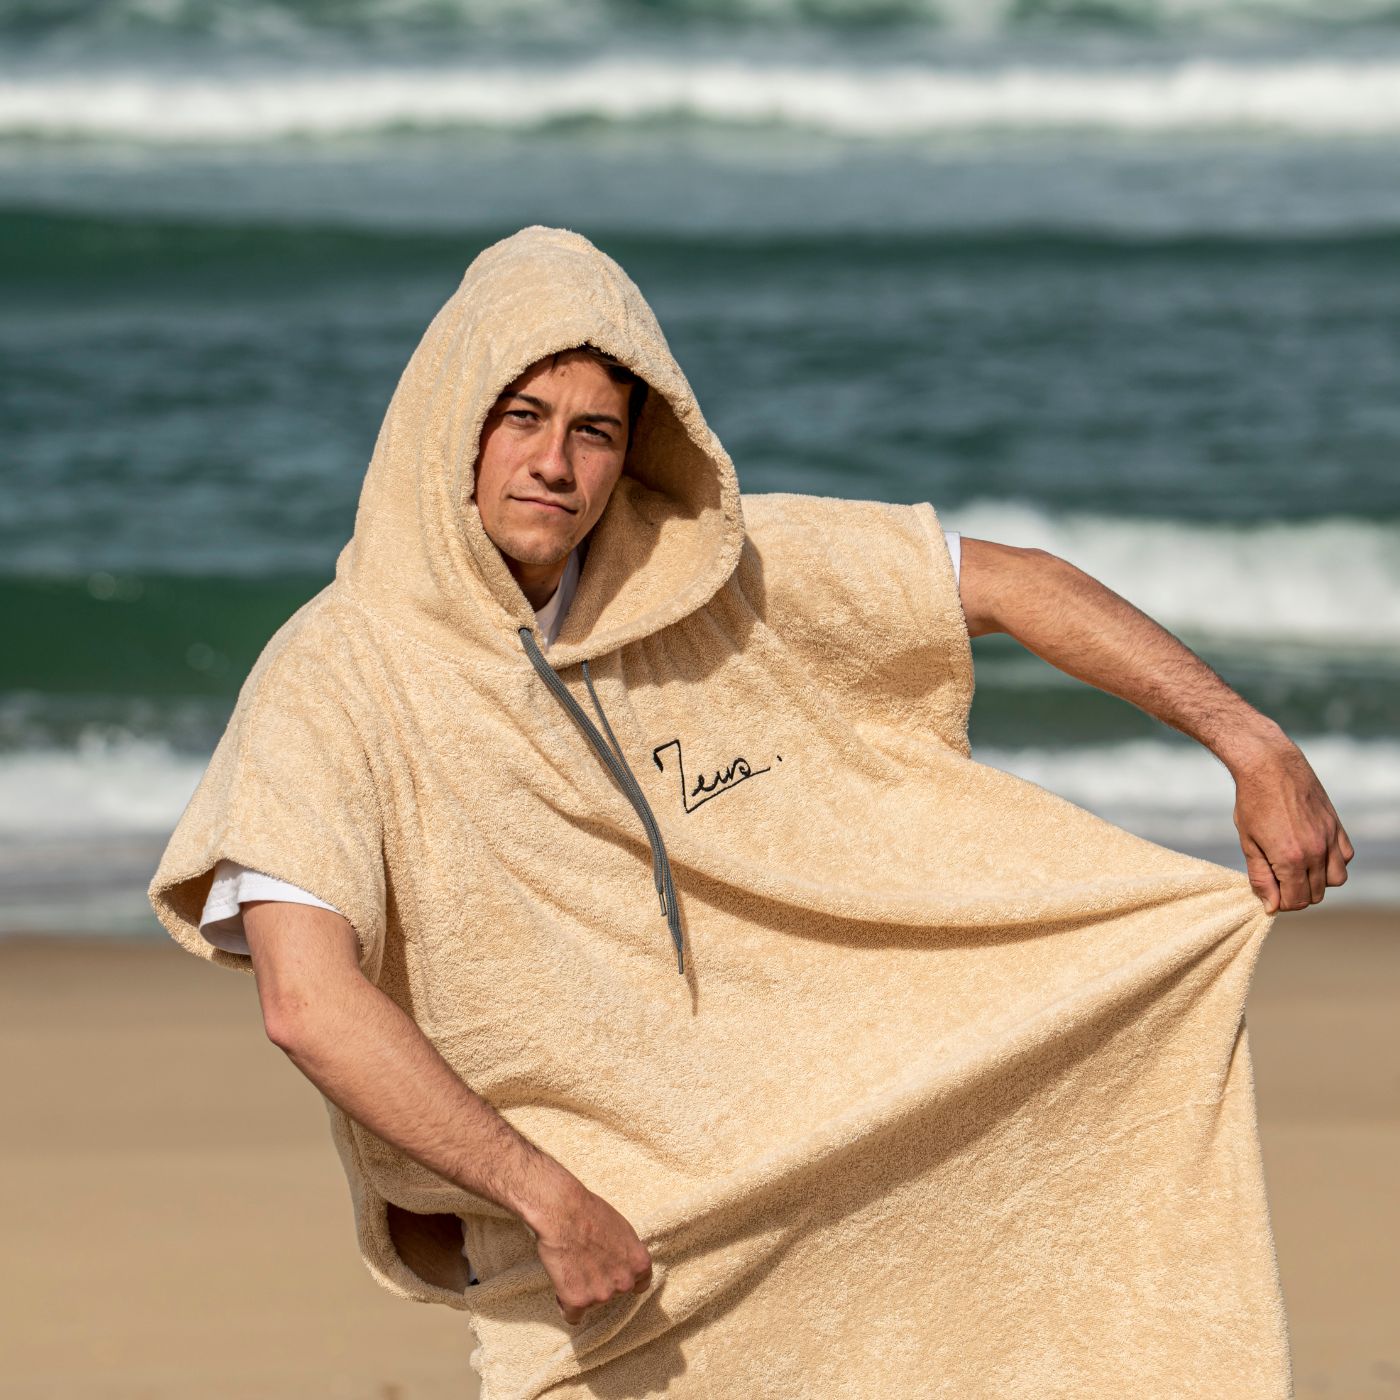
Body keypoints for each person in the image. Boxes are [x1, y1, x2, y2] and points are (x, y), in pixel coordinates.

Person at [151, 224, 1350, 1398]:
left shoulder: (721, 573)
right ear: (449, 425)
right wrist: (544, 1194)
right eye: (520, 418)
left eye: (594, 432)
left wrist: (1247, 739)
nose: (554, 465)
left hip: (822, 1164)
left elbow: (1011, 582)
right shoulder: (337, 674)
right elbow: (309, 1001)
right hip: (586, 1236)